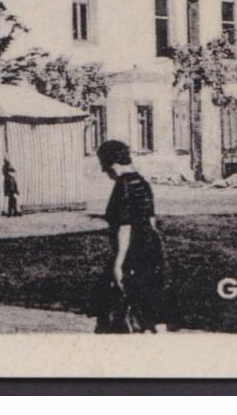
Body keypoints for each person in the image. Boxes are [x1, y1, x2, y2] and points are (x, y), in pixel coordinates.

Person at [94, 139, 166, 333]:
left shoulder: (122, 186)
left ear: (110, 163)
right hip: (150, 249)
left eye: (102, 163)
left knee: (121, 305)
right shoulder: (143, 183)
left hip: (131, 253)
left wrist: (118, 263)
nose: (102, 170)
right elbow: (151, 222)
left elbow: (124, 227)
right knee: (151, 305)